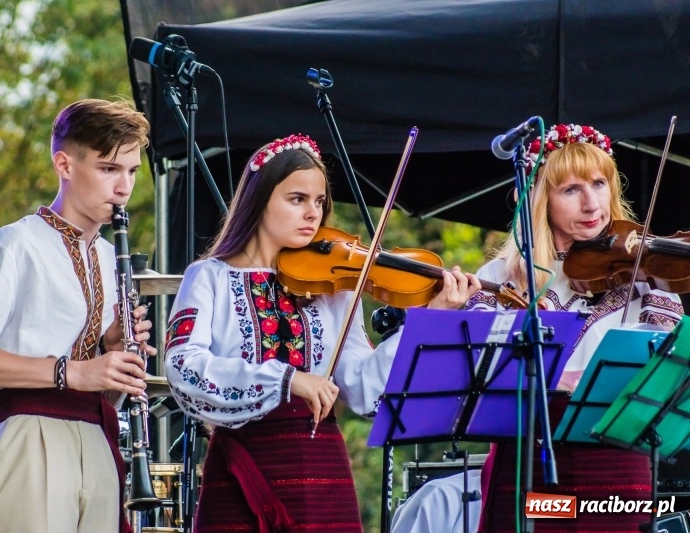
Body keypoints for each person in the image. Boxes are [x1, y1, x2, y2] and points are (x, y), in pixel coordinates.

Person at [163, 133, 482, 532]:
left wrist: (430, 319)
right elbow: (183, 367)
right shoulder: (210, 277)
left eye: (318, 202)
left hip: (320, 466)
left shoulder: (332, 291)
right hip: (242, 463)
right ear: (259, 200)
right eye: (297, 199)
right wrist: (286, 379)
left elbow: (364, 388)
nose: (312, 214)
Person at [0, 98, 156, 533]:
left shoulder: (111, 258)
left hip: (97, 438)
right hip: (32, 436)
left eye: (131, 172)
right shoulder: (14, 245)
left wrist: (112, 349)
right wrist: (73, 372)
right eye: (109, 169)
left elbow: (102, 387)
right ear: (64, 165)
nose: (124, 187)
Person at [465, 123, 684, 531]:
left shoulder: (647, 273)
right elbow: (477, 372)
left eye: (599, 184)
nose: (591, 204)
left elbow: (663, 369)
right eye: (570, 190)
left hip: (616, 474)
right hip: (532, 466)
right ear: (537, 200)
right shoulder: (502, 277)